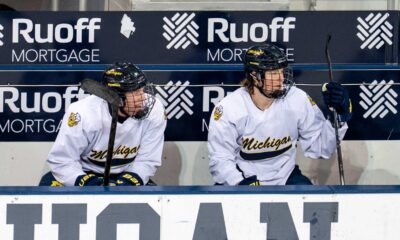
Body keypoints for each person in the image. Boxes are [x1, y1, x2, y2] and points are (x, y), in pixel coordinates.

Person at [207, 44, 352, 185]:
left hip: (286, 177)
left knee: (310, 198)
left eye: (282, 72)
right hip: (245, 179)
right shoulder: (229, 108)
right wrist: (239, 183)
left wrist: (338, 118)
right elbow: (220, 159)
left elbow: (320, 148)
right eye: (273, 73)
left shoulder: (297, 98)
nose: (281, 78)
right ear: (255, 76)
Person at [39, 62, 167, 186]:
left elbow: (147, 160)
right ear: (115, 95)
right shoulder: (83, 112)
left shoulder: (155, 109)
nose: (143, 98)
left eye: (142, 90)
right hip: (84, 172)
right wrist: (90, 183)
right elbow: (62, 160)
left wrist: (127, 183)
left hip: (125, 174)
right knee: (47, 188)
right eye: (135, 93)